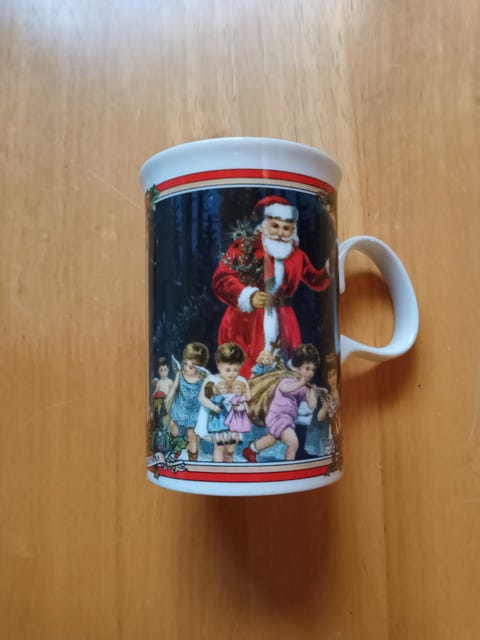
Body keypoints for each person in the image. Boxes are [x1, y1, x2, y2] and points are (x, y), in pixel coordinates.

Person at [212, 196, 330, 377]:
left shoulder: (297, 255)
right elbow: (222, 279)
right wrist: (248, 295)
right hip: (246, 322)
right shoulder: (244, 248)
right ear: (264, 224)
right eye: (275, 226)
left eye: (286, 228)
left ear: (293, 229)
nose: (281, 233)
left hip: (284, 321)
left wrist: (329, 270)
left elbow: (316, 280)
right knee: (244, 372)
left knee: (285, 370)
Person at [243, 343, 322, 462]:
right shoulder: (287, 378)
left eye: (313, 370)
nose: (311, 373)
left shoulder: (305, 387)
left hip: (288, 418)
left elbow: (311, 405)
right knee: (293, 443)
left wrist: (313, 393)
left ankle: (251, 450)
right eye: (307, 368)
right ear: (297, 367)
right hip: (278, 416)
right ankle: (289, 466)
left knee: (271, 439)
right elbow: (284, 388)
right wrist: (300, 384)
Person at [196, 342, 249, 463]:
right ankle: (218, 468)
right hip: (217, 419)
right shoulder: (211, 380)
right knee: (219, 446)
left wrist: (243, 407)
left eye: (235, 370)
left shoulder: (240, 381)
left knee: (230, 449)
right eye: (228, 369)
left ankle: (229, 470)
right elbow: (202, 398)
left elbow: (246, 398)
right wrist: (213, 407)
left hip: (234, 420)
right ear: (219, 365)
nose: (231, 373)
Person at [166, 342, 209, 462]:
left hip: (193, 411)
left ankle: (193, 459)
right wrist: (167, 399)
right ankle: (173, 451)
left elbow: (209, 394)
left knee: (192, 435)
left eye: (191, 366)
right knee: (173, 425)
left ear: (200, 367)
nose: (186, 368)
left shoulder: (202, 379)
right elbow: (174, 387)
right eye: (185, 364)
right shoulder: (180, 374)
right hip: (180, 407)